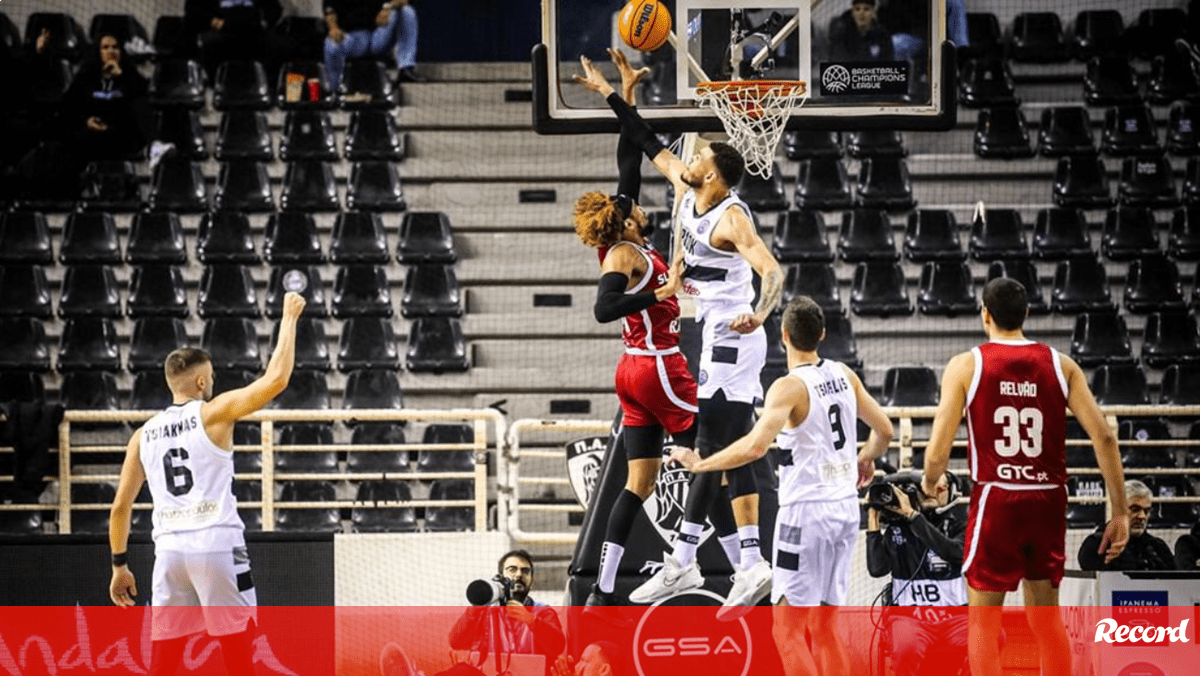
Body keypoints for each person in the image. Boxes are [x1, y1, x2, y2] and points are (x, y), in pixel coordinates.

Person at [574, 53, 786, 617]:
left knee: (711, 446)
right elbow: (641, 143)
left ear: (712, 173)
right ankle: (741, 563)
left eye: (698, 155)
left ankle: (694, 558)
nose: (687, 156)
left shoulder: (733, 218)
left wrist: (761, 312)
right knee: (716, 446)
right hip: (706, 336)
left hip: (734, 336)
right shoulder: (685, 188)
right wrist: (614, 93)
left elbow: (774, 271)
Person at [671, 295, 893, 675]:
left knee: (786, 633)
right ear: (822, 334)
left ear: (783, 336)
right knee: (825, 630)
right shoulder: (844, 374)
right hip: (844, 512)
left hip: (805, 514)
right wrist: (866, 457)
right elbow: (885, 430)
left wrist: (702, 463)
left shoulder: (788, 387)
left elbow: (755, 446)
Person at [921, 277, 1130, 676]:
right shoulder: (1061, 363)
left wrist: (931, 481)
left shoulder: (966, 364)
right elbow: (1104, 435)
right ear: (1027, 315)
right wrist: (1118, 511)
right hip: (1048, 498)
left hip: (997, 499)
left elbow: (937, 451)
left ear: (984, 314)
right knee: (1047, 623)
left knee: (984, 628)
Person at [108, 292, 307, 676]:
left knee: (164, 661)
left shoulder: (142, 435)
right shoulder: (213, 413)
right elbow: (277, 379)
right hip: (216, 543)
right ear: (200, 380)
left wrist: (119, 565)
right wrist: (289, 316)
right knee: (237, 655)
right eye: (211, 377)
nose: (212, 382)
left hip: (168, 552)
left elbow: (120, 508)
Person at [571, 48, 702, 607]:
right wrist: (661, 292)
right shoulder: (622, 256)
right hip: (658, 366)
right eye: (635, 209)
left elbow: (631, 154)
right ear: (626, 221)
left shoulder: (624, 231)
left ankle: (603, 589)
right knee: (714, 453)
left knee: (638, 482)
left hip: (630, 375)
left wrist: (622, 89)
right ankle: (690, 561)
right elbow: (603, 311)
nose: (641, 205)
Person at [867, 473, 969, 676]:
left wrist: (914, 517)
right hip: (909, 617)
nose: (932, 493)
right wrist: (873, 517)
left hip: (957, 619)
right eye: (927, 489)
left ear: (952, 493)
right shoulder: (898, 528)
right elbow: (878, 569)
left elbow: (953, 552)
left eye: (939, 489)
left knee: (991, 638)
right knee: (906, 645)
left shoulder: (960, 527)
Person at [61, 34, 152, 163]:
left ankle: (154, 147)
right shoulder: (86, 76)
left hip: (121, 135)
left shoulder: (130, 75)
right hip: (90, 135)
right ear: (98, 52)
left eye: (115, 47)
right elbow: (70, 105)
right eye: (105, 47)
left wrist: (121, 77)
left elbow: (141, 100)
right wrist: (86, 121)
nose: (111, 51)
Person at [1078, 479, 1175, 571]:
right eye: (1135, 509)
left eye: (1146, 511)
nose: (1142, 517)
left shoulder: (1158, 547)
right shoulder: (1096, 545)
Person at [324, 0, 422, 90]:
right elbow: (329, 11)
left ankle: (406, 68)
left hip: (379, 35)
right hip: (353, 38)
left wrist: (387, 7)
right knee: (331, 43)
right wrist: (334, 29)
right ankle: (333, 90)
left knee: (406, 10)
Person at [184, 0, 283, 79]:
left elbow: (274, 10)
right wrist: (222, 25)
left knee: (284, 47)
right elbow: (194, 14)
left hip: (253, 32)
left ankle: (290, 97)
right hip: (220, 32)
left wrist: (264, 23)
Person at [828, 0, 894, 62]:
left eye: (866, 9)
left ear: (874, 12)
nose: (861, 13)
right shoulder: (841, 34)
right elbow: (837, 61)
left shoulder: (882, 36)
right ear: (852, 13)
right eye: (857, 9)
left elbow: (887, 64)